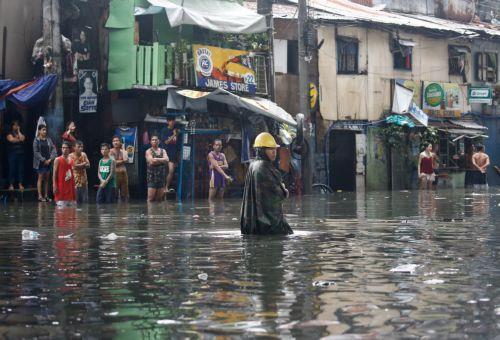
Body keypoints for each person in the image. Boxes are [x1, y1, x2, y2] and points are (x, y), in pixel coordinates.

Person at [240, 132, 293, 235]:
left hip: (251, 224)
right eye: (270, 149)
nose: (274, 152)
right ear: (261, 151)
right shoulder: (264, 168)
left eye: (275, 149)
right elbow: (278, 195)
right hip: (268, 225)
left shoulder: (253, 165)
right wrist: (284, 191)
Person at [33, 124, 57, 202]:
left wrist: (50, 159)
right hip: (40, 162)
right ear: (39, 131)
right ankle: (40, 196)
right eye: (43, 130)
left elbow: (53, 149)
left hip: (48, 161)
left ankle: (46, 195)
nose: (45, 131)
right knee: (40, 178)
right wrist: (43, 160)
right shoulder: (36, 140)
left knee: (47, 179)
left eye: (45, 130)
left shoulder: (48, 139)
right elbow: (36, 152)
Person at [146, 135, 169, 202]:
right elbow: (152, 162)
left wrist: (156, 159)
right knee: (150, 199)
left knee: (159, 199)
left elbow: (167, 160)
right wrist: (162, 160)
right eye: (153, 140)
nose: (154, 141)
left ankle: (158, 212)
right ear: (150, 142)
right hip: (152, 177)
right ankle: (150, 212)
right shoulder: (148, 151)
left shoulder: (163, 151)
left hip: (161, 177)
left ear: (158, 141)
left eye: (156, 140)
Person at [53, 141, 76, 207]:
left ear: (69, 149)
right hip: (61, 187)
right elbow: (54, 174)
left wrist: (74, 185)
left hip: (70, 186)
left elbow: (72, 173)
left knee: (72, 209)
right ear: (61, 149)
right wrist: (54, 185)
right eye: (63, 148)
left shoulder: (72, 159)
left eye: (66, 148)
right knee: (61, 208)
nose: (64, 149)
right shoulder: (57, 159)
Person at [6, 120, 26, 191]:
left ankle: (20, 184)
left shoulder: (21, 133)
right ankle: (11, 184)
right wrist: (18, 139)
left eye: (17, 125)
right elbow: (12, 140)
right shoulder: (9, 133)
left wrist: (19, 131)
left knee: (20, 169)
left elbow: (22, 139)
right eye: (14, 125)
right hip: (12, 154)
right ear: (12, 126)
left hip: (20, 154)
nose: (16, 126)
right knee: (12, 169)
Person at [163, 116, 179, 193]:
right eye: (170, 121)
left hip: (173, 154)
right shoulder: (165, 130)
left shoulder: (175, 130)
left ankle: (166, 187)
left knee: (171, 171)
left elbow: (177, 144)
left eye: (173, 120)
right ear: (167, 122)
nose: (172, 122)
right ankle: (163, 187)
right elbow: (166, 142)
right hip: (165, 153)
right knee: (164, 171)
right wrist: (173, 135)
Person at [110, 136, 129, 202]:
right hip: (115, 174)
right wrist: (122, 161)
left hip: (124, 173)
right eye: (114, 141)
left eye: (117, 140)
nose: (115, 142)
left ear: (120, 142)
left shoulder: (123, 151)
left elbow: (126, 159)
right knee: (115, 194)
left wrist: (123, 149)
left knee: (124, 194)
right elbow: (114, 163)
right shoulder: (110, 151)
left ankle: (124, 210)